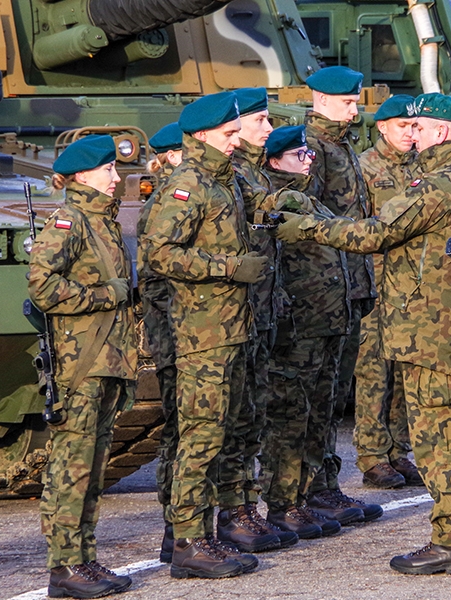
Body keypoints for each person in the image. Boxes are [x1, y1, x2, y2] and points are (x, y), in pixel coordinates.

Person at [276, 93, 451, 578]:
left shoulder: (441, 181)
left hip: (432, 330)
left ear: (438, 132)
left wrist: (303, 227)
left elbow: (375, 234)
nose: (413, 135)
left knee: (442, 443)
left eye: (420, 127)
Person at [144, 92, 269, 580]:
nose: (236, 142)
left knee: (219, 435)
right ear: (201, 137)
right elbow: (159, 254)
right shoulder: (187, 185)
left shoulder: (225, 180)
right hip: (202, 334)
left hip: (230, 327)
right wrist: (230, 267)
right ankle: (188, 542)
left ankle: (195, 535)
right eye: (228, 135)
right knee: (200, 438)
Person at [28, 134, 138, 598]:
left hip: (107, 359)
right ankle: (64, 568)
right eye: (108, 170)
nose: (117, 178)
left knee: (92, 467)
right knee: (71, 468)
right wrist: (102, 296)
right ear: (81, 176)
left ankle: (85, 560)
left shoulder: (101, 221)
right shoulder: (70, 221)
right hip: (81, 366)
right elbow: (41, 285)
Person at [259, 125, 354, 539]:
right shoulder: (276, 203)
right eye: (299, 155)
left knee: (319, 409)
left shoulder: (304, 196)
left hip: (323, 323)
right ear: (275, 161)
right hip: (296, 326)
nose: (308, 159)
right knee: (289, 416)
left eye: (308, 154)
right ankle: (284, 502)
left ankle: (312, 491)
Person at [214, 87, 297, 553]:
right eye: (260, 121)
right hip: (225, 318)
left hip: (258, 310)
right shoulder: (229, 175)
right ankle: (230, 510)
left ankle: (245, 505)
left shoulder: (248, 173)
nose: (268, 130)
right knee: (226, 419)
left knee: (250, 414)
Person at [303, 66, 382, 523]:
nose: (355, 109)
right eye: (348, 102)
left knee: (333, 392)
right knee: (314, 394)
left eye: (355, 102)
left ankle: (326, 484)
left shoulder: (342, 145)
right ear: (321, 99)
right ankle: (309, 489)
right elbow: (310, 219)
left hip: (350, 282)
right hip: (324, 287)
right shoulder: (313, 147)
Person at [354, 94, 421, 489]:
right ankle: (373, 454)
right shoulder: (365, 168)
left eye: (416, 127)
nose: (411, 134)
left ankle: (398, 449)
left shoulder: (422, 168)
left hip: (413, 285)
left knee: (403, 372)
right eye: (403, 127)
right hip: (379, 283)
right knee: (374, 371)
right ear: (382, 127)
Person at [136, 122, 184, 564]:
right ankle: (175, 524)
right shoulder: (165, 205)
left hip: (188, 330)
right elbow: (158, 279)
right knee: (178, 429)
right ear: (169, 156)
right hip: (173, 332)